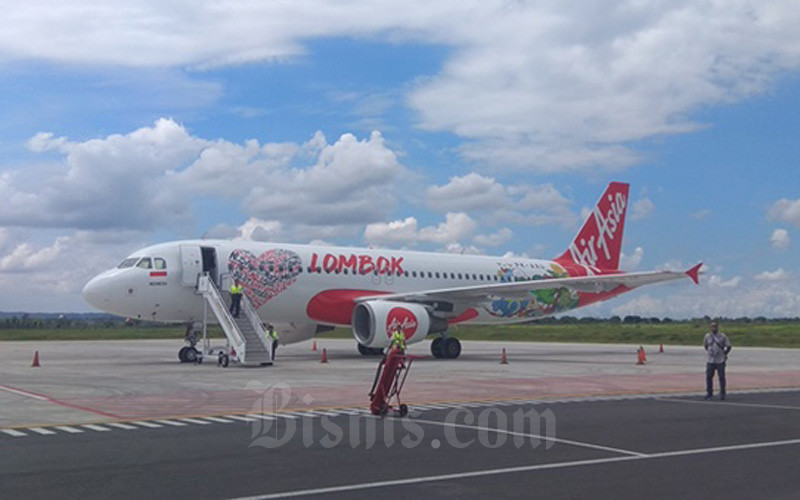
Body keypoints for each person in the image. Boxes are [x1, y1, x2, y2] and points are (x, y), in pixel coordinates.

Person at [703, 320, 732, 400]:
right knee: (708, 376)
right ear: (710, 327)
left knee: (721, 376)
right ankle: (709, 392)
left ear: (718, 327)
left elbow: (728, 346)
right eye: (712, 326)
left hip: (720, 360)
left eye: (715, 326)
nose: (714, 328)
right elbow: (705, 346)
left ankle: (722, 393)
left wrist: (725, 353)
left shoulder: (722, 336)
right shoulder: (707, 336)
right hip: (711, 360)